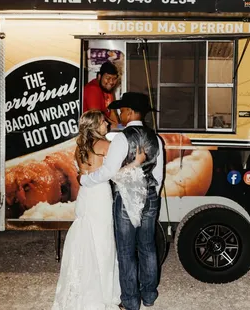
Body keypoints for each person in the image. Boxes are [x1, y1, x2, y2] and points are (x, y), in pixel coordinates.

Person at [51, 110, 145, 310]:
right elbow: (115, 173)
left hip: (85, 195)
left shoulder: (79, 148)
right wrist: (137, 162)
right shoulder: (105, 145)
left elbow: (83, 173)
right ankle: (102, 292)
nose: (107, 125)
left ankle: (84, 288)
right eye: (103, 122)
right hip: (100, 195)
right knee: (103, 242)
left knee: (87, 239)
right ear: (94, 125)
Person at [80, 92, 165, 310]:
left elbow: (108, 171)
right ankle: (149, 295)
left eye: (122, 110)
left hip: (126, 197)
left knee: (126, 249)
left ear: (129, 111)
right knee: (147, 245)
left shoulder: (122, 138)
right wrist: (151, 191)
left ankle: (130, 301)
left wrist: (86, 180)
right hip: (150, 195)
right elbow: (159, 174)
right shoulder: (156, 138)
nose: (119, 114)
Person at [83, 61, 120, 128]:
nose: (111, 82)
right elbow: (97, 117)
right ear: (99, 76)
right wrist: (115, 126)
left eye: (114, 78)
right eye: (108, 78)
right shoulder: (93, 89)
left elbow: (112, 112)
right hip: (92, 131)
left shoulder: (107, 89)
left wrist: (118, 127)